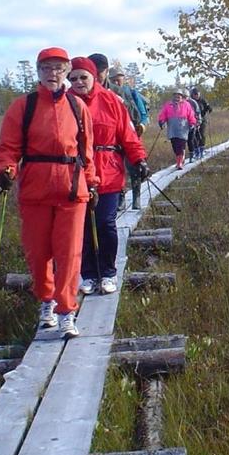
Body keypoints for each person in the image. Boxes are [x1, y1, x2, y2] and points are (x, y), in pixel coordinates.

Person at [0, 47, 97, 339]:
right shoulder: (22, 107)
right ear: (38, 72)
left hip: (71, 190)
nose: (53, 74)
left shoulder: (78, 107)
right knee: (38, 254)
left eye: (59, 69)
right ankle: (47, 301)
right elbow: (8, 147)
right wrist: (5, 170)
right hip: (35, 190)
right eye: (47, 68)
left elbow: (86, 151)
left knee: (69, 254)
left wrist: (92, 182)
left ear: (66, 72)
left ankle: (66, 311)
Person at [67, 57, 149, 295]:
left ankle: (109, 272)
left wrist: (139, 158)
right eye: (73, 78)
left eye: (84, 77)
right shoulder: (65, 102)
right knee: (82, 226)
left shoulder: (112, 100)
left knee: (105, 223)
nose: (79, 82)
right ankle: (89, 274)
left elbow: (127, 133)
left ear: (95, 76)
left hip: (109, 170)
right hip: (76, 173)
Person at [108, 66, 149, 209]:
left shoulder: (132, 93)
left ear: (123, 79)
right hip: (115, 138)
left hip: (132, 135)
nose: (116, 83)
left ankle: (136, 198)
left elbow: (143, 115)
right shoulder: (107, 94)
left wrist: (142, 126)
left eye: (118, 80)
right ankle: (121, 199)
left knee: (134, 168)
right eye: (113, 80)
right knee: (118, 169)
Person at [157, 88, 198, 170]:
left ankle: (179, 163)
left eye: (179, 96)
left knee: (181, 144)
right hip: (172, 128)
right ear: (173, 96)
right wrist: (161, 121)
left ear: (182, 97)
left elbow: (191, 114)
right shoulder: (168, 105)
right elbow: (163, 114)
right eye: (176, 95)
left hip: (183, 128)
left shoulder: (186, 104)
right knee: (175, 145)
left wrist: (192, 122)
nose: (177, 97)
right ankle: (179, 159)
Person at [189, 87, 212, 159]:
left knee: (201, 135)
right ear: (192, 95)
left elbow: (209, 107)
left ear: (199, 94)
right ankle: (197, 151)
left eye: (197, 94)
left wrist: (209, 109)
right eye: (194, 94)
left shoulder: (203, 100)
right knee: (194, 136)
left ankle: (202, 150)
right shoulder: (191, 102)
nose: (196, 95)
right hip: (193, 120)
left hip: (202, 120)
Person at [184, 90, 202, 163]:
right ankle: (191, 154)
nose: (185, 98)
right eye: (183, 96)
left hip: (193, 123)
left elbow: (198, 112)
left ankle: (196, 153)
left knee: (191, 139)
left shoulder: (193, 102)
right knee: (187, 140)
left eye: (186, 96)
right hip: (184, 125)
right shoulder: (181, 103)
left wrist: (198, 122)